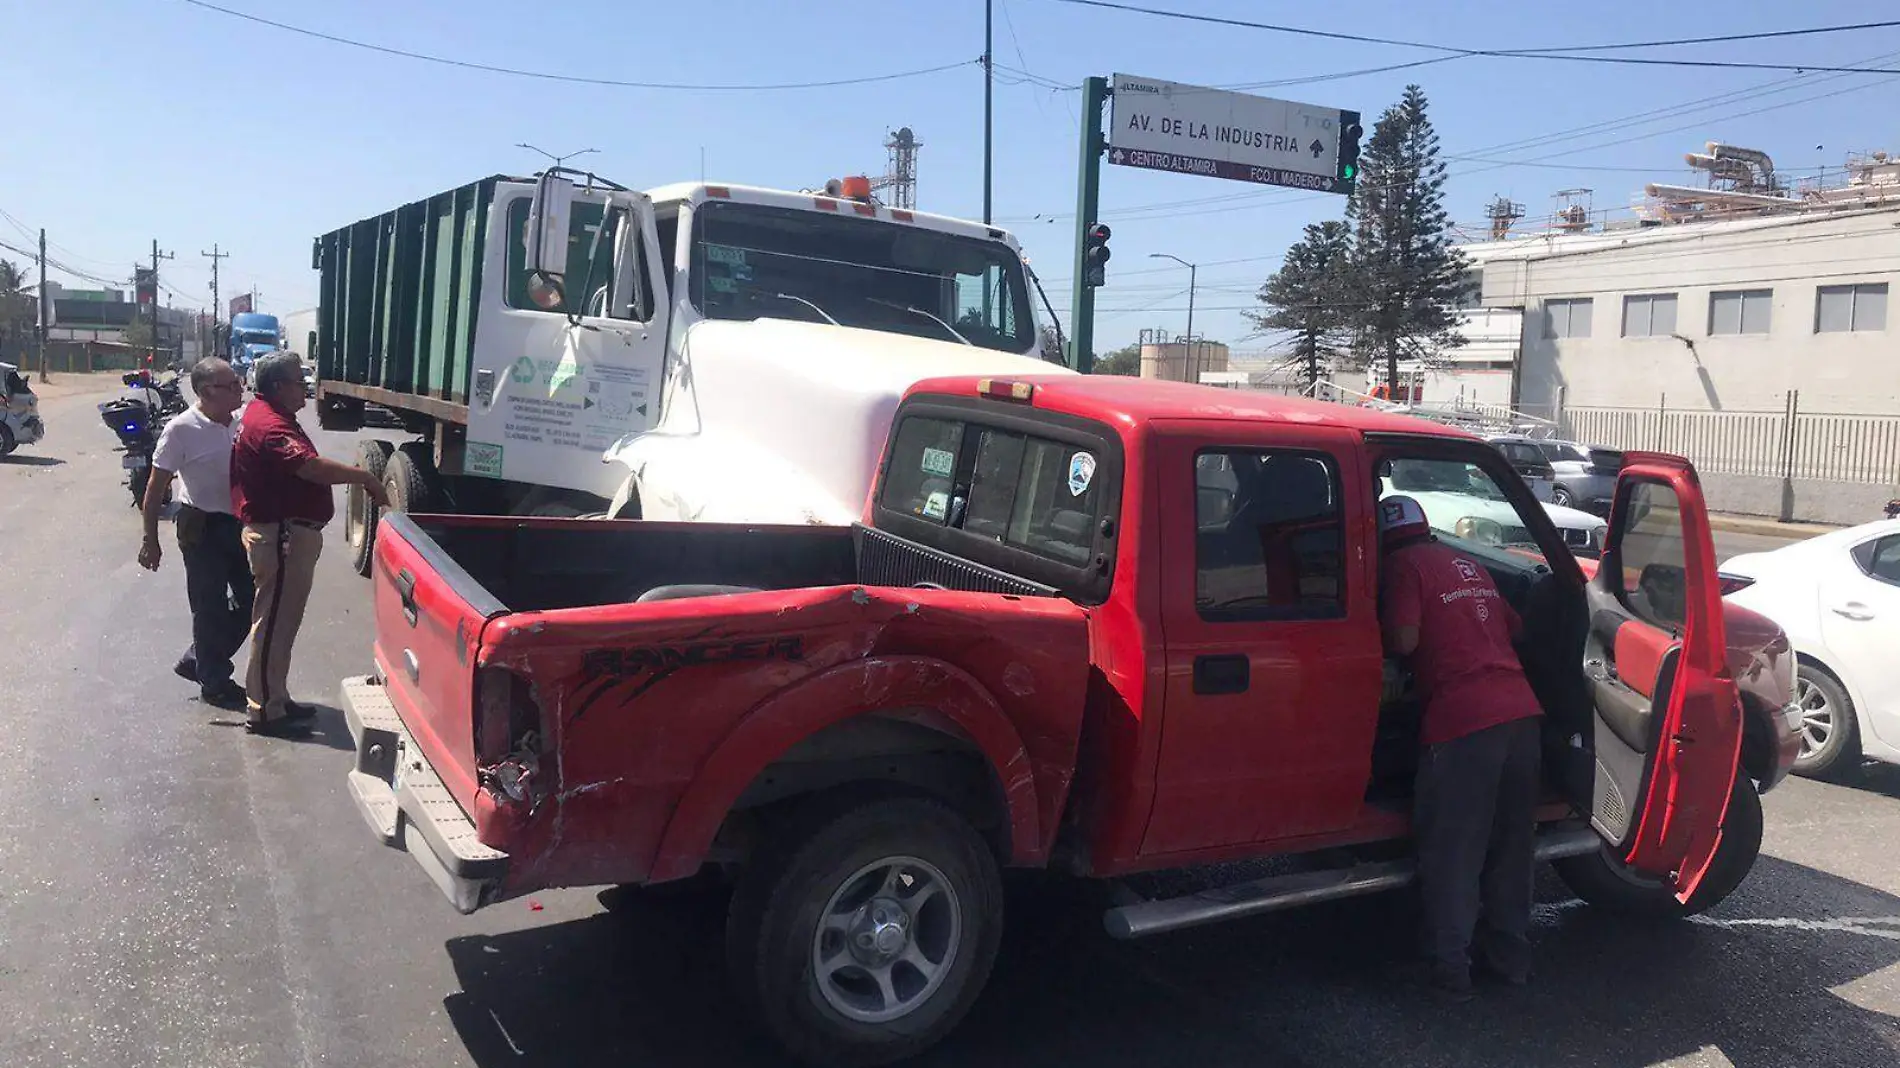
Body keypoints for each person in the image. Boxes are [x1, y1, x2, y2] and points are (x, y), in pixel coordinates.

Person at [1377, 493, 1543, 1001]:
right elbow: (1514, 627)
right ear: (1426, 527)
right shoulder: (1467, 562)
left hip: (1464, 722)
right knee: (1512, 850)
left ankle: (1449, 973)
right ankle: (1511, 962)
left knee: (1454, 852)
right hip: (1521, 715)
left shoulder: (1403, 566)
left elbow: (1404, 640)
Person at [231, 352, 388, 736]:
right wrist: (364, 477)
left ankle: (274, 696)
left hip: (286, 533)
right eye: (299, 382)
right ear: (279, 387)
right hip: (282, 535)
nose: (305, 388)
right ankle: (266, 711)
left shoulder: (270, 416)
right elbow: (310, 468)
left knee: (282, 622)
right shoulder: (270, 425)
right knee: (273, 624)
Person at [137, 357, 251, 710]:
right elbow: (155, 489)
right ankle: (214, 683)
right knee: (208, 606)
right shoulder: (181, 429)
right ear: (205, 392)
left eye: (239, 383)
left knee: (253, 600)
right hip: (201, 526)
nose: (239, 390)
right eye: (230, 385)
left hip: (241, 525)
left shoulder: (243, 422)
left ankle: (199, 660)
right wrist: (150, 539)